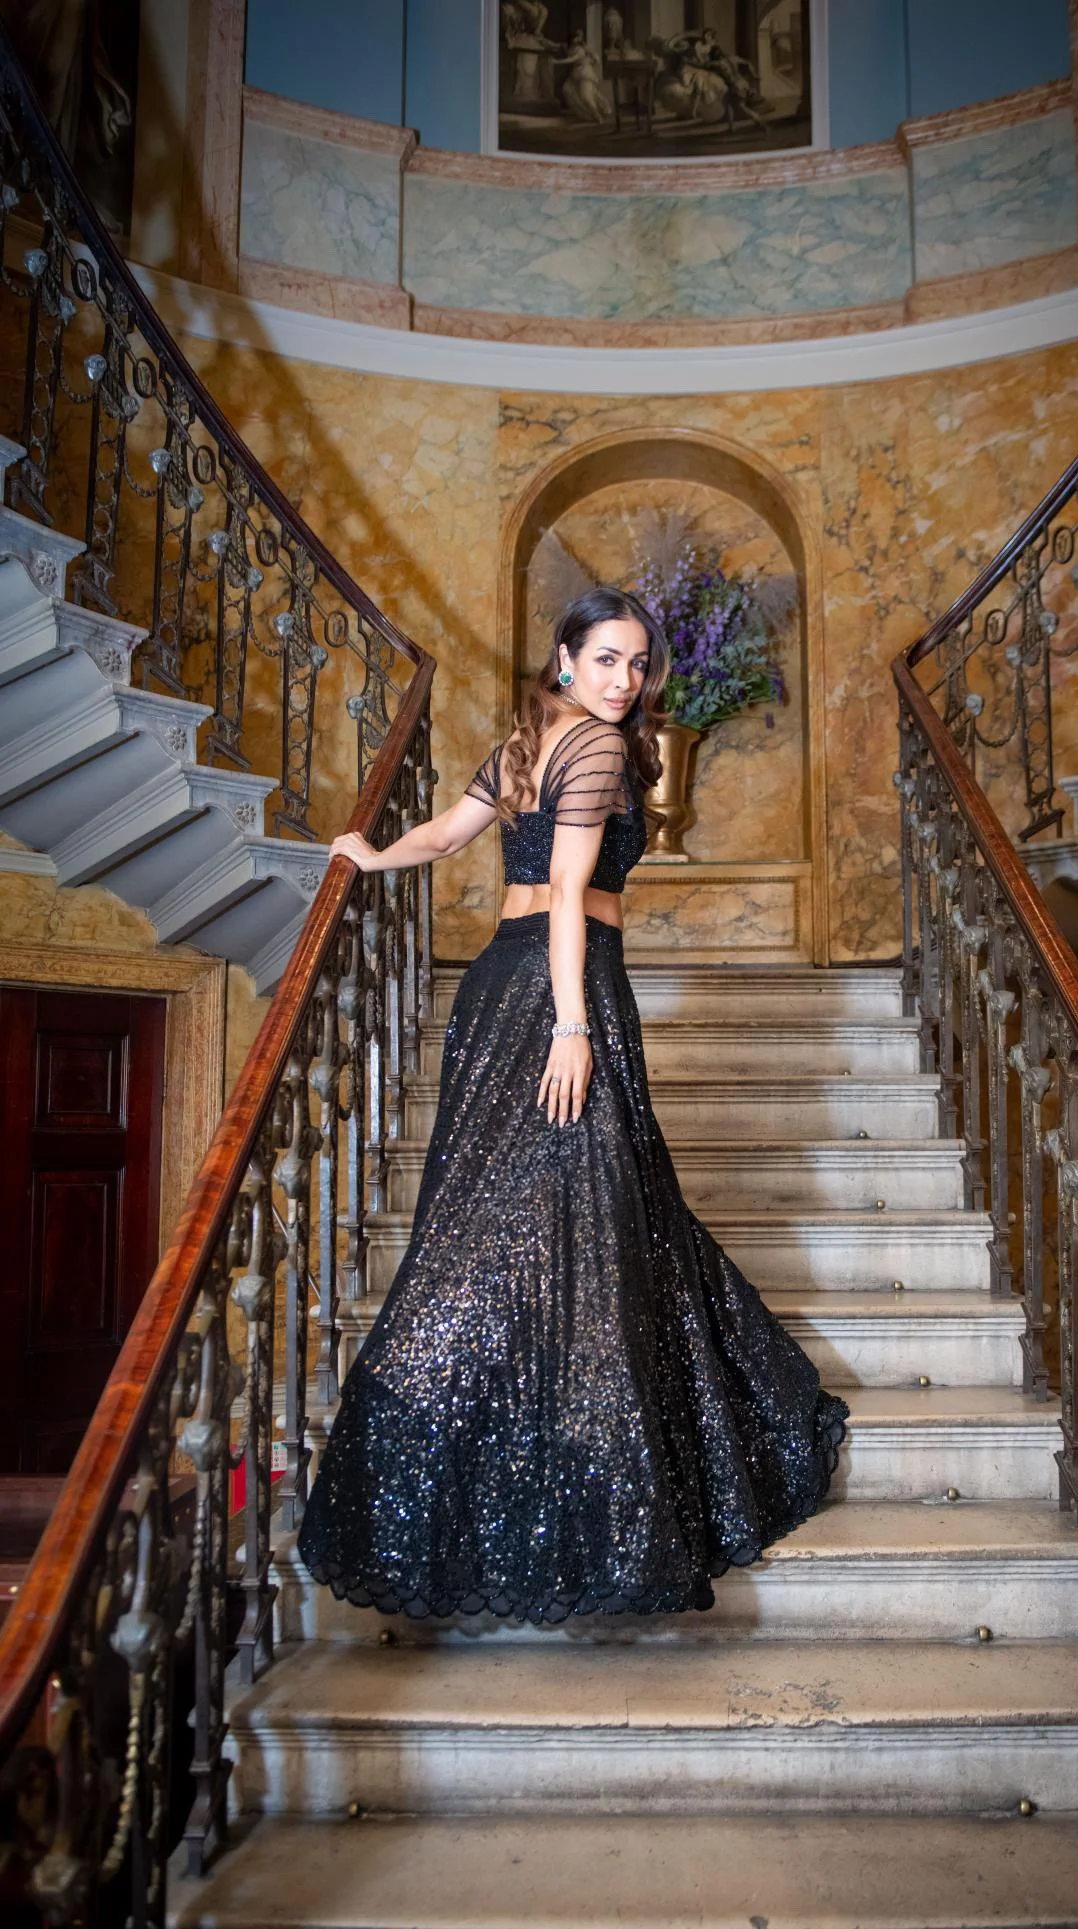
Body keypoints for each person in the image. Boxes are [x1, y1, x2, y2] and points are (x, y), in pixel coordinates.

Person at [297, 586, 848, 1624]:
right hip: (562, 985)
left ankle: (508, 1478)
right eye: (605, 660)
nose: (624, 681)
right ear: (564, 658)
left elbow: (445, 835)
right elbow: (561, 893)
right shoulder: (592, 749)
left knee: (529, 1219)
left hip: (494, 985)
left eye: (637, 664)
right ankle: (562, 1491)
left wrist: (374, 854)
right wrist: (573, 1025)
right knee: (579, 1221)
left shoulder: (527, 739)